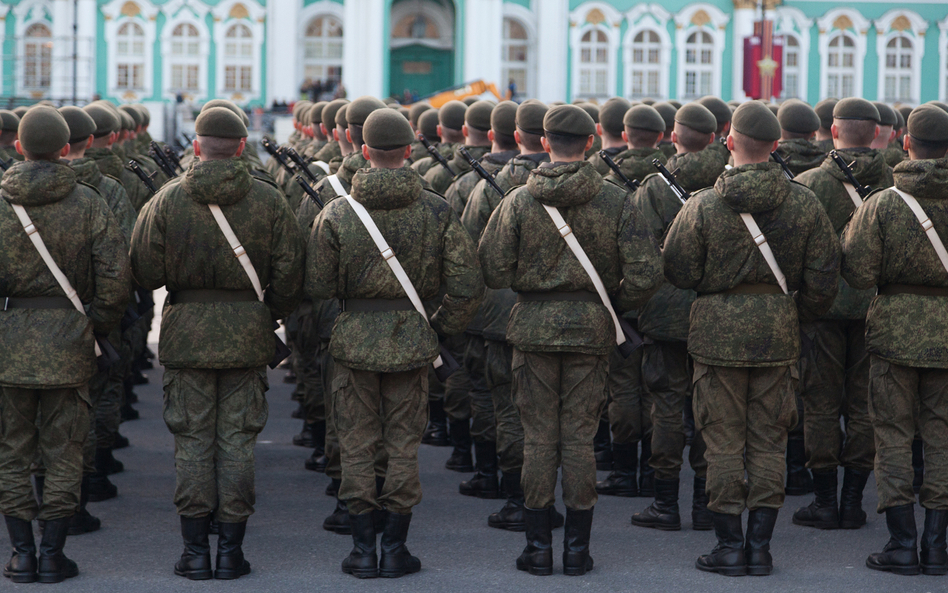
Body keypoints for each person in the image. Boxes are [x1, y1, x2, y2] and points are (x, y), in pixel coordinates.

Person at [479, 104, 663, 576]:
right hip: (590, 329)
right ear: (591, 141)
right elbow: (645, 272)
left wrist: (533, 280)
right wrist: (610, 300)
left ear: (544, 142)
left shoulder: (519, 201)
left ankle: (538, 549)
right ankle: (578, 551)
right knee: (579, 439)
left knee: (539, 439)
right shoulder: (616, 200)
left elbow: (493, 267)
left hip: (533, 327)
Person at [663, 101, 839, 576]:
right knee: (768, 441)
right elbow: (824, 278)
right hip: (777, 332)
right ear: (776, 146)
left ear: (729, 141)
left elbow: (677, 269)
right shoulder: (805, 202)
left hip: (716, 332)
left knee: (720, 441)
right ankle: (759, 547)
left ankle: (727, 546)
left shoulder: (703, 204)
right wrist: (791, 313)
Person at [306, 108, 483, 579]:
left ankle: (363, 550)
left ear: (364, 152)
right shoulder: (437, 208)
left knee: (357, 443)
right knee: (404, 444)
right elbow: (467, 284)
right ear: (409, 152)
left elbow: (319, 287)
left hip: (353, 343)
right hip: (411, 340)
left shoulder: (337, 212)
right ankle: (396, 548)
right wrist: (438, 327)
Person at [130, 107, 304, 580]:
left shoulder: (166, 201)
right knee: (237, 441)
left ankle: (194, 552)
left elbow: (143, 273)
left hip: (186, 333)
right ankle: (230, 551)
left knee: (191, 440)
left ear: (197, 147)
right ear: (242, 147)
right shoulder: (268, 200)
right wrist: (267, 315)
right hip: (247, 332)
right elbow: (291, 275)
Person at [0, 105, 130, 583]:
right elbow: (115, 278)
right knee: (65, 449)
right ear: (65, 149)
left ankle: (20, 554)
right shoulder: (90, 201)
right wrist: (95, 326)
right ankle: (52, 554)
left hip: (10, 343)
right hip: (71, 342)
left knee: (12, 450)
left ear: (19, 146)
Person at [841, 104, 948, 576]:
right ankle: (938, 545)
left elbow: (859, 273)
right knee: (943, 437)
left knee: (893, 437)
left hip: (893, 332)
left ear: (906, 142)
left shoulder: (884, 203)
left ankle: (902, 544)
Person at [793, 98, 892, 532]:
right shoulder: (894, 180)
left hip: (821, 307)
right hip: (875, 306)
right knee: (864, 406)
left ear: (832, 132)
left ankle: (824, 501)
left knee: (820, 403)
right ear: (876, 134)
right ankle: (853, 501)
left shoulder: (809, 183)